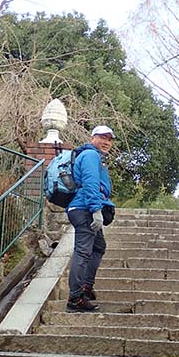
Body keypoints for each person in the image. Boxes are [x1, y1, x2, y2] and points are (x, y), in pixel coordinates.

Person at [65, 125, 116, 313]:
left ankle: (86, 286)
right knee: (83, 252)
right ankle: (75, 298)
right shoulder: (91, 155)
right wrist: (96, 211)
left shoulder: (94, 157)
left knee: (98, 246)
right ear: (93, 137)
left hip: (84, 207)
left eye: (110, 139)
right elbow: (90, 183)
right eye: (103, 137)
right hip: (85, 208)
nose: (107, 142)